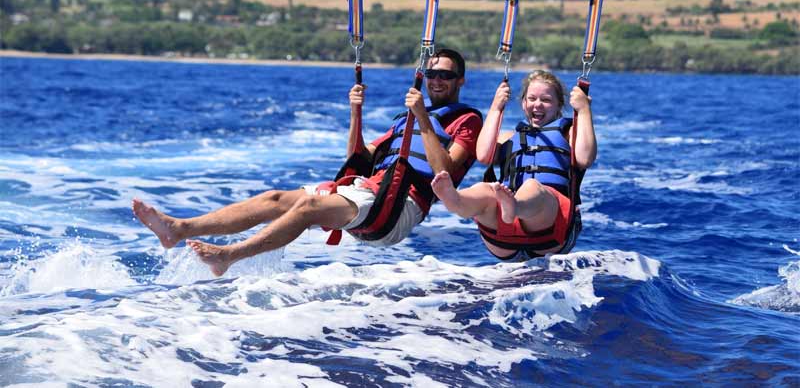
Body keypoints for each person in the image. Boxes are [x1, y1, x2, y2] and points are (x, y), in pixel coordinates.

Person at [132, 49, 483, 276]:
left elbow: (445, 174)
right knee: (276, 198)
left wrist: (421, 117)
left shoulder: (466, 120)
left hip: (398, 207)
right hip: (370, 190)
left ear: (460, 81)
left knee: (309, 207)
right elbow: (357, 158)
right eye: (433, 74)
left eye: (446, 75)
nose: (438, 80)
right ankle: (179, 229)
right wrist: (356, 112)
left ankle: (228, 256)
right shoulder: (401, 121)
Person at [430, 70, 596, 261]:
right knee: (486, 189)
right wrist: (496, 108)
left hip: (551, 229)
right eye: (531, 98)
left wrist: (583, 111)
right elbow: (483, 155)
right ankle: (456, 200)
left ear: (559, 104)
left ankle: (515, 206)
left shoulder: (569, 133)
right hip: (502, 237)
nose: (538, 104)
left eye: (546, 100)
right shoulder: (509, 138)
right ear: (523, 102)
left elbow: (585, 158)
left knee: (532, 187)